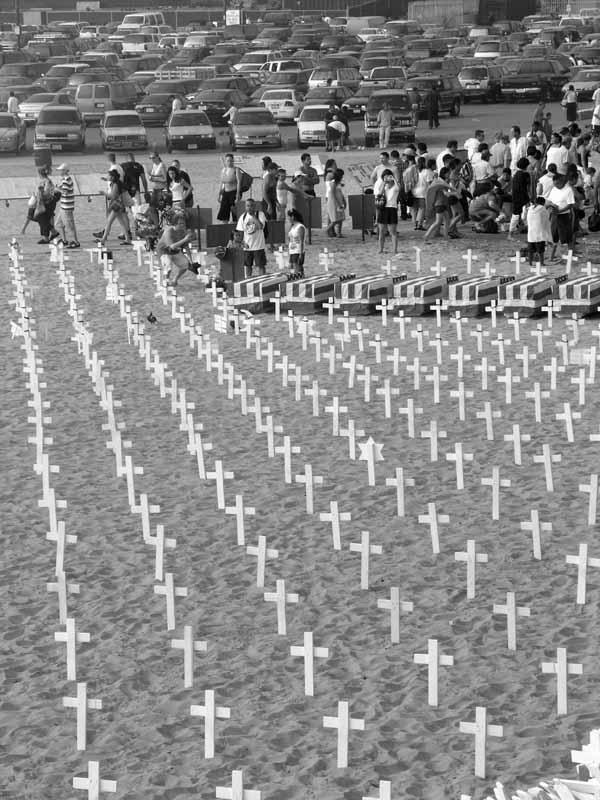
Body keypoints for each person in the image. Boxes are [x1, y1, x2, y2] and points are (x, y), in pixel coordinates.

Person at [156, 208, 194, 287]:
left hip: (175, 251)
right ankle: (166, 281)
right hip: (164, 251)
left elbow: (186, 246)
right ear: (175, 224)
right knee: (168, 267)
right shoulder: (168, 232)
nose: (182, 225)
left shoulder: (183, 231)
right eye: (180, 223)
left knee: (185, 264)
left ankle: (175, 279)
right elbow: (171, 246)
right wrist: (185, 239)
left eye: (183, 223)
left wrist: (191, 260)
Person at [546, 172, 575, 261]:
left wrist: (560, 211)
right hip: (554, 215)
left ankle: (570, 255)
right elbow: (549, 201)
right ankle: (552, 256)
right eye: (555, 184)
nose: (556, 186)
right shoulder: (554, 189)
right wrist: (550, 206)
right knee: (554, 236)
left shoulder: (568, 190)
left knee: (567, 236)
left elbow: (571, 204)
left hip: (564, 215)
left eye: (558, 184)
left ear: (562, 181)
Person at [99, 169, 132, 246]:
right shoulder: (116, 183)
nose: (107, 176)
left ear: (113, 177)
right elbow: (108, 179)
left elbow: (113, 196)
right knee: (122, 223)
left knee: (109, 222)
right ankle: (127, 239)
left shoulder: (115, 185)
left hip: (117, 205)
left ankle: (103, 239)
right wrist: (105, 179)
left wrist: (104, 193)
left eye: (108, 175)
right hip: (120, 204)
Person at [236, 197, 268, 276]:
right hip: (247, 247)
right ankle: (248, 280)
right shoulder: (243, 217)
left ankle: (262, 280)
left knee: (261, 266)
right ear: (245, 207)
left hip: (258, 246)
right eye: (248, 206)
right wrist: (242, 243)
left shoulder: (260, 214)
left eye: (251, 206)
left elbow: (260, 226)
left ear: (255, 206)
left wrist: (253, 216)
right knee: (248, 266)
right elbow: (239, 233)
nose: (249, 208)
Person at [26, 167, 57, 243]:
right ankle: (52, 233)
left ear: (40, 174)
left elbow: (47, 193)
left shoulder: (46, 182)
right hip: (43, 203)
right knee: (40, 218)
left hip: (46, 204)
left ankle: (48, 236)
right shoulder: (45, 181)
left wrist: (40, 193)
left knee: (41, 218)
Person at [374, 169, 400, 254]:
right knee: (382, 231)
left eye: (389, 176)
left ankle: (395, 250)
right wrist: (384, 182)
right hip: (383, 208)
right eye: (385, 176)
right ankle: (380, 249)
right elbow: (379, 194)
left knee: (393, 231)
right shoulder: (383, 185)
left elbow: (398, 188)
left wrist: (393, 178)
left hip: (392, 208)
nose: (387, 178)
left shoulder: (396, 186)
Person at [53, 163, 79, 248]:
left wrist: (57, 188)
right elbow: (64, 189)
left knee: (69, 225)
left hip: (66, 207)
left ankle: (75, 242)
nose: (59, 172)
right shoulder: (66, 179)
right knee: (59, 224)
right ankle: (64, 240)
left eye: (61, 170)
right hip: (64, 206)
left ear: (65, 171)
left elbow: (65, 192)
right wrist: (58, 187)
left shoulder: (66, 180)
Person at [508, 157, 531, 239]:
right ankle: (511, 234)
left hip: (516, 197)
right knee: (520, 215)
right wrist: (527, 199)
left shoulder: (516, 174)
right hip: (522, 197)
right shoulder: (525, 175)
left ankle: (511, 233)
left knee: (516, 215)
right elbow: (525, 188)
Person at [526, 196, 552, 266]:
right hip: (540, 233)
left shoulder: (530, 209)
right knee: (541, 251)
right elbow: (546, 221)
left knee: (530, 250)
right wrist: (549, 238)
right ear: (543, 203)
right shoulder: (543, 209)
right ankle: (542, 263)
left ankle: (530, 263)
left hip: (531, 233)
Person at [217, 153, 242, 222]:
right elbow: (222, 183)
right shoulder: (223, 170)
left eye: (231, 161)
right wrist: (219, 195)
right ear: (225, 161)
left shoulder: (236, 170)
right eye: (228, 161)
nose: (229, 162)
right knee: (224, 214)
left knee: (234, 213)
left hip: (233, 192)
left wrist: (237, 195)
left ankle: (235, 225)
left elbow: (239, 182)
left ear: (233, 161)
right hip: (225, 193)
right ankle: (225, 226)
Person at [412, 157, 434, 231]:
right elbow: (430, 183)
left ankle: (415, 224)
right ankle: (419, 224)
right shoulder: (427, 171)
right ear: (424, 162)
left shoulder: (415, 171)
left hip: (414, 191)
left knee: (415, 209)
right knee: (422, 208)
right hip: (423, 192)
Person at [326, 168, 346, 238]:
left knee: (341, 218)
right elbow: (332, 194)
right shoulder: (333, 183)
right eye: (342, 175)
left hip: (339, 201)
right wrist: (339, 203)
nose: (342, 177)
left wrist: (344, 201)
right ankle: (327, 230)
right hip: (334, 202)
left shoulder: (338, 183)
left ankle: (339, 233)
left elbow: (340, 192)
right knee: (335, 219)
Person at [287, 208, 307, 275]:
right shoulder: (292, 226)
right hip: (292, 250)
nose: (288, 219)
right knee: (292, 268)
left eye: (289, 217)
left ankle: (301, 278)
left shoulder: (300, 227)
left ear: (292, 217)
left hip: (297, 251)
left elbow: (301, 241)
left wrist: (301, 254)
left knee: (297, 268)